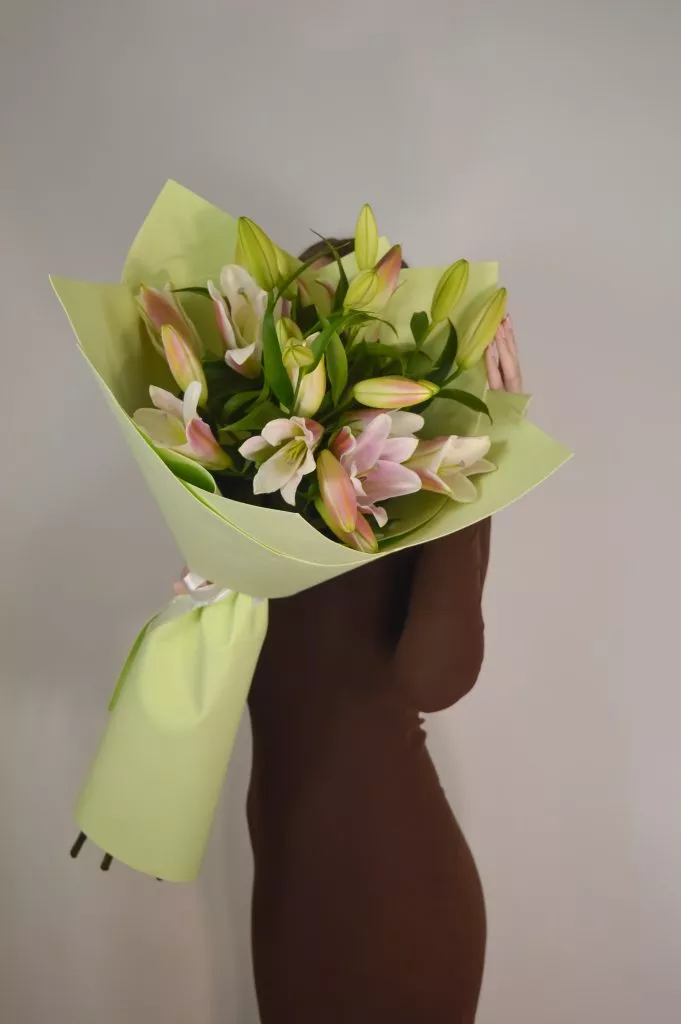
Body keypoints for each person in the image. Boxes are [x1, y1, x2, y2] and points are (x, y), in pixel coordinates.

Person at [179, 241, 523, 1023]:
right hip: (288, 877)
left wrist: (485, 457)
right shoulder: (246, 485)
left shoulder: (420, 485)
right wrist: (195, 604)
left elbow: (435, 680)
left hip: (393, 881)